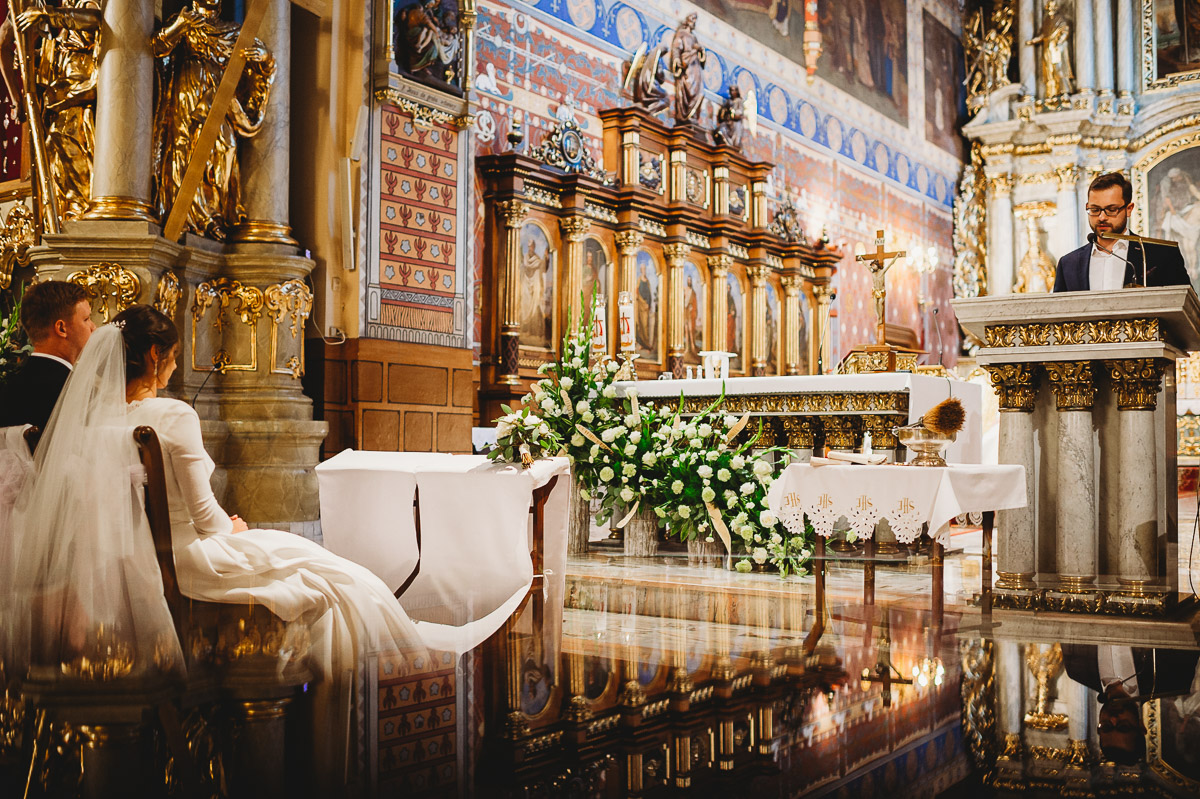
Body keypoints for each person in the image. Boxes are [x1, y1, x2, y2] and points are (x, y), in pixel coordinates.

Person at [10, 305, 423, 790]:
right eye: (172, 358)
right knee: (330, 576)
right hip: (186, 560)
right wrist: (237, 529)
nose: (172, 368)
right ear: (154, 355)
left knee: (310, 568)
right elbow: (206, 518)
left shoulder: (83, 426)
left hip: (119, 567)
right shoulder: (172, 414)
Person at [1053, 172, 1192, 292]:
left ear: (1129, 209)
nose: (1102, 217)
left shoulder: (1161, 254)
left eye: (1111, 209)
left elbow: (1189, 310)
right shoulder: (1068, 264)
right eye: (1095, 210)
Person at [1064, 643, 1200, 764]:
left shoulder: (1076, 670)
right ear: (1141, 727)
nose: (1113, 718)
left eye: (1106, 727)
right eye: (1123, 726)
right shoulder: (1175, 676)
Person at [0, 280, 94, 431]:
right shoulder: (71, 391)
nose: (93, 327)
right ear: (62, 328)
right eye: (86, 319)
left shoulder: (10, 388)